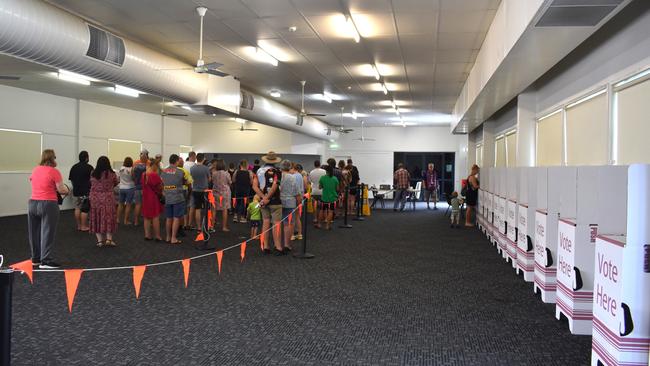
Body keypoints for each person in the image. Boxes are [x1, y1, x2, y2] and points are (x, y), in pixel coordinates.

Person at [28, 149, 70, 269]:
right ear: (53, 158)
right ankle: (45, 260)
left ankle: (35, 258)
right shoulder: (54, 172)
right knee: (47, 232)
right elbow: (61, 190)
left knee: (34, 232)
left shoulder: (35, 170)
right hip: (48, 204)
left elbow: (32, 181)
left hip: (32, 203)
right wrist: (68, 190)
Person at [252, 151, 284, 255]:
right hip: (275, 200)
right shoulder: (277, 171)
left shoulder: (259, 171)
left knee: (265, 221)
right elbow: (275, 185)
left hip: (263, 200)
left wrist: (263, 197)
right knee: (276, 223)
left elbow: (254, 186)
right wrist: (268, 197)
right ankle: (278, 247)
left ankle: (265, 246)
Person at [89, 156, 119, 247]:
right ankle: (109, 240)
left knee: (97, 217)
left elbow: (91, 183)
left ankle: (99, 241)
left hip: (95, 198)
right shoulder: (112, 173)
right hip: (108, 198)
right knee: (109, 217)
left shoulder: (93, 173)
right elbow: (116, 182)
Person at [160, 154, 187, 244]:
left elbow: (162, 184)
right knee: (176, 218)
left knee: (168, 218)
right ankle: (173, 238)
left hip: (168, 197)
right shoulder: (180, 172)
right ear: (176, 161)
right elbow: (184, 182)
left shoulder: (163, 171)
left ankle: (168, 237)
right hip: (177, 197)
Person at [68, 151, 93, 232]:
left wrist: (76, 187)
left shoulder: (74, 167)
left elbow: (71, 180)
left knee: (77, 208)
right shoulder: (89, 167)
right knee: (85, 209)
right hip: (86, 192)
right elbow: (93, 180)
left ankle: (79, 226)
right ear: (86, 158)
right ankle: (84, 226)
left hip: (76, 191)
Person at [280, 160, 301, 251]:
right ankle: (287, 244)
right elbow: (297, 192)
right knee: (289, 224)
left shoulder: (278, 176)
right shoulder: (292, 178)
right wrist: (299, 203)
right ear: (289, 167)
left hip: (279, 202)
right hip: (290, 203)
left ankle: (278, 244)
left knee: (278, 224)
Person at [142, 161, 163, 241]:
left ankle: (147, 235)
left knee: (146, 217)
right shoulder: (154, 175)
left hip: (145, 197)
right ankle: (157, 236)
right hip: (153, 198)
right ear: (154, 166)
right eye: (157, 166)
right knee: (155, 217)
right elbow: (160, 187)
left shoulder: (143, 174)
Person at [189, 153, 211, 232]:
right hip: (204, 191)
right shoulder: (206, 168)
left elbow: (191, 179)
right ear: (203, 159)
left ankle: (198, 227)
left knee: (197, 209)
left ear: (196, 158)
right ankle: (206, 226)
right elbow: (209, 179)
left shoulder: (192, 168)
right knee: (206, 209)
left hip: (195, 190)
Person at [211, 159, 232, 232]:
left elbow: (212, 181)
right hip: (225, 193)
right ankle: (224, 227)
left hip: (215, 193)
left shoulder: (214, 173)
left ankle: (212, 226)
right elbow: (230, 182)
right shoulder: (226, 173)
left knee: (213, 210)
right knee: (225, 210)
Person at [318, 164, 339, 230]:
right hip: (332, 198)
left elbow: (320, 187)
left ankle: (319, 224)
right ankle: (327, 226)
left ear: (326, 171)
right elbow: (337, 189)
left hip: (324, 197)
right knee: (330, 211)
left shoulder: (322, 178)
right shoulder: (335, 178)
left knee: (321, 210)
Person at [132, 150, 149, 226]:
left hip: (137, 187)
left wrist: (135, 181)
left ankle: (136, 221)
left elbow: (132, 176)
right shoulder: (147, 166)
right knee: (146, 204)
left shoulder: (135, 165)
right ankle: (148, 221)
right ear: (146, 158)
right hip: (145, 187)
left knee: (137, 204)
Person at [232, 159, 253, 223]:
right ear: (247, 165)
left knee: (237, 202)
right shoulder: (249, 172)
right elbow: (251, 182)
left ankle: (235, 216)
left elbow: (233, 180)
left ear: (240, 165)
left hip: (238, 189)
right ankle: (242, 217)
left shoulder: (236, 171)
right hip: (246, 189)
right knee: (244, 203)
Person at [291, 163, 307, 240]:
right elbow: (303, 186)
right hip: (300, 197)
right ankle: (300, 234)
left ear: (293, 168)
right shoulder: (300, 175)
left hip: (294, 198)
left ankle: (292, 235)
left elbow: (294, 188)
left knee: (292, 218)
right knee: (297, 217)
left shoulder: (293, 176)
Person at [117, 157, 136, 225]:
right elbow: (133, 178)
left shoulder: (121, 168)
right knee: (128, 205)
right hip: (130, 188)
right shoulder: (132, 169)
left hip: (121, 188)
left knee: (120, 204)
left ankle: (118, 219)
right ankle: (125, 221)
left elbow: (118, 178)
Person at [178, 157, 193, 234]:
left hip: (173, 191)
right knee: (184, 209)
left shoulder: (170, 170)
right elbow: (189, 183)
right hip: (183, 191)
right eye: (182, 162)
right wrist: (189, 194)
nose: (183, 163)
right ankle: (184, 224)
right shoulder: (185, 172)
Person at [308, 160, 326, 227]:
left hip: (314, 191)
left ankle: (315, 218)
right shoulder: (324, 171)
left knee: (314, 205)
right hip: (322, 190)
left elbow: (310, 181)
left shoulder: (311, 172)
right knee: (322, 205)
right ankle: (324, 218)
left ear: (314, 165)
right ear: (320, 164)